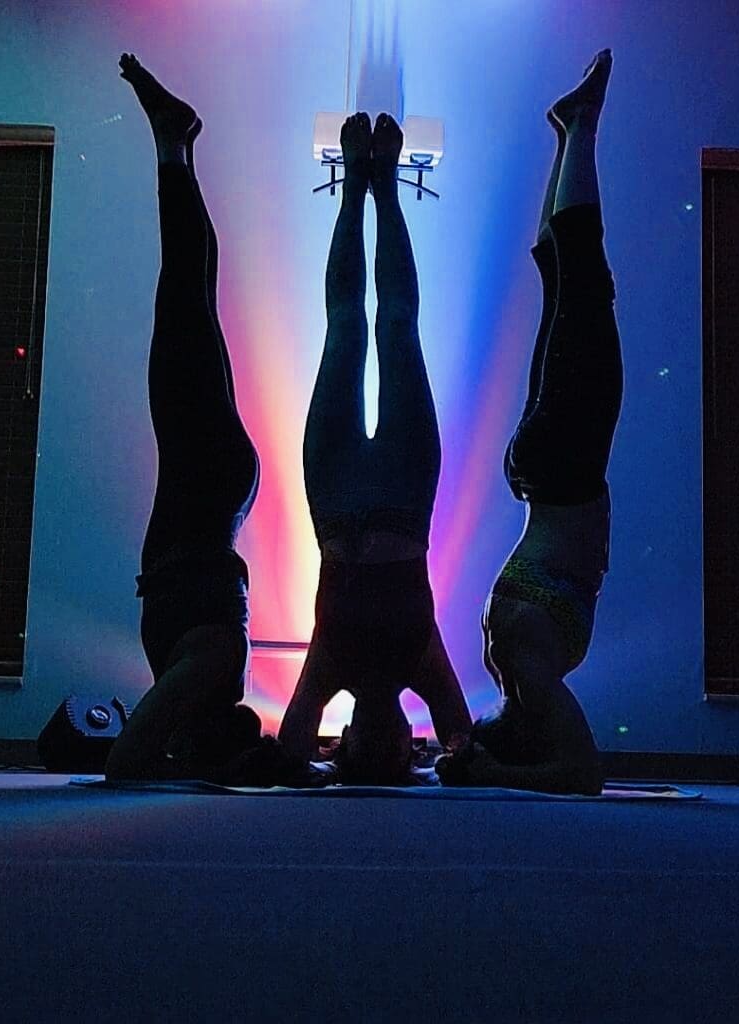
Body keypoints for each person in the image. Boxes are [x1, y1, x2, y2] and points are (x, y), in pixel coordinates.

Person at [437, 49, 622, 796]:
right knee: (563, 284)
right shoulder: (511, 668)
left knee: (583, 284)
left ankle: (577, 125)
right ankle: (562, 134)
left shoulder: (530, 676)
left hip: (564, 473)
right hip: (542, 472)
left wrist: (487, 775)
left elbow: (582, 775)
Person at [277, 112, 472, 783]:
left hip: (336, 495)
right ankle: (382, 188)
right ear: (408, 750)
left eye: (369, 750)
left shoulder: (330, 668)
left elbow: (291, 745)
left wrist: (320, 760)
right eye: (399, 751)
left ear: (348, 743)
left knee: (345, 329)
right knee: (395, 325)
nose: (387, 739)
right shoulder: (420, 661)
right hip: (404, 493)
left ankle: (355, 190)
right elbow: (462, 738)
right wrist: (444, 755)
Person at [105, 54, 262, 779]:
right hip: (202, 488)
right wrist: (176, 760)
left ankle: (179, 143)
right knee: (184, 293)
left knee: (192, 292)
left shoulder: (204, 685)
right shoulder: (214, 675)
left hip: (210, 490)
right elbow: (128, 762)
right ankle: (172, 141)